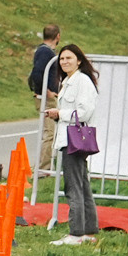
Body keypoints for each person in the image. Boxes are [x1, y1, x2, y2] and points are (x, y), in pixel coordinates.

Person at [45, 43, 101, 245]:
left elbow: (84, 112)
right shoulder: (69, 81)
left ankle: (76, 233)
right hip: (70, 138)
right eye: (61, 58)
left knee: (73, 187)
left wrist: (60, 113)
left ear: (79, 60)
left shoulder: (82, 81)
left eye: (69, 58)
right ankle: (87, 230)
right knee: (82, 185)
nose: (64, 61)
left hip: (73, 140)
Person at [28, 23, 63, 175]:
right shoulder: (45, 52)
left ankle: (44, 166)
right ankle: (43, 169)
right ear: (58, 36)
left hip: (47, 96)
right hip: (46, 98)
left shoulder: (44, 51)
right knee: (49, 133)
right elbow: (37, 73)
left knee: (51, 132)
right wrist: (45, 90)